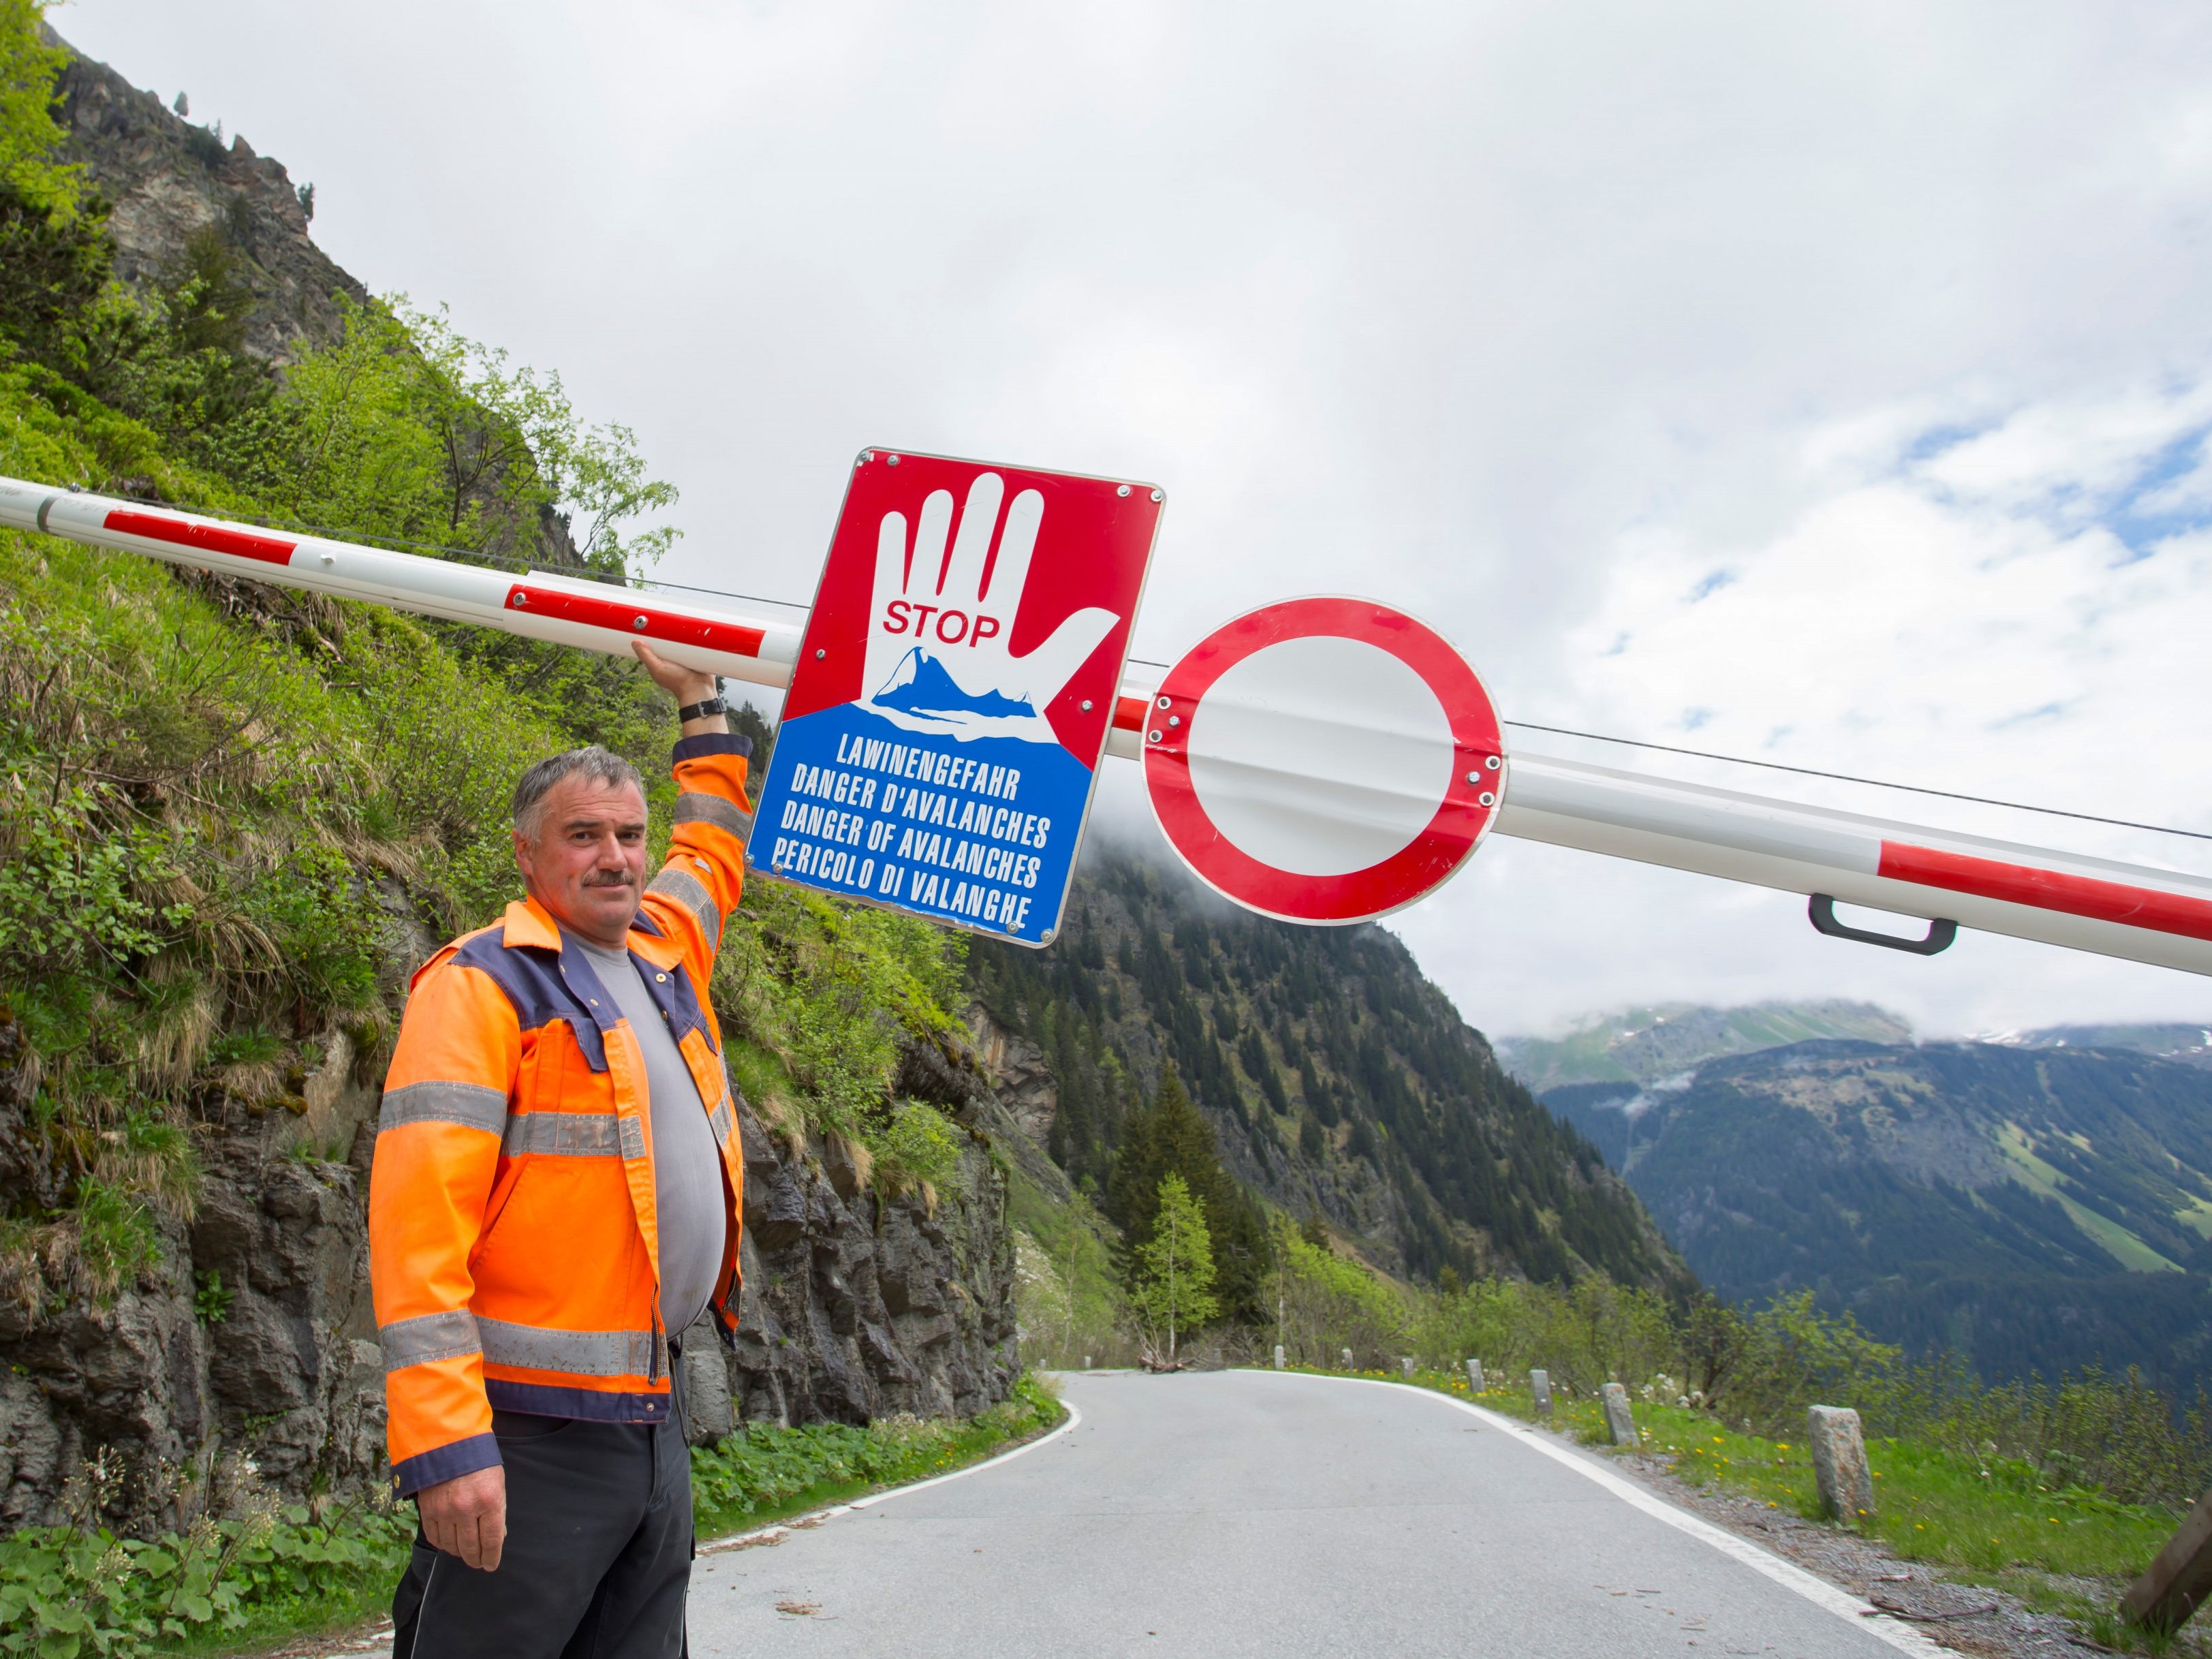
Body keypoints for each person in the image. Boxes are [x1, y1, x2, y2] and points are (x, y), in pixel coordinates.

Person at [371, 642, 752, 1658]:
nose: (617, 857)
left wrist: (701, 706)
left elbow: (711, 847)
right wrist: (447, 1443)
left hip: (650, 1411)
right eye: (583, 836)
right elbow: (418, 1231)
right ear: (527, 856)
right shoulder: (481, 987)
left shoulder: (667, 947)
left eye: (628, 834)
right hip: (527, 1432)